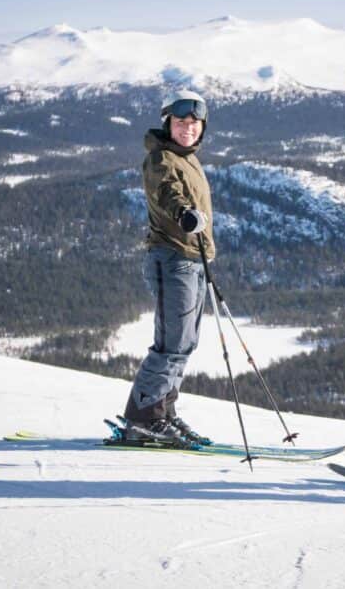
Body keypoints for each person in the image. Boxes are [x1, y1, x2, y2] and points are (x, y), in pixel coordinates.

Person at [122, 89, 215, 444]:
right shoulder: (161, 159)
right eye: (180, 123)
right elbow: (166, 193)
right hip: (171, 258)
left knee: (186, 344)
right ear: (168, 124)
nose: (188, 129)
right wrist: (183, 214)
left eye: (194, 123)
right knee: (171, 344)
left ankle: (163, 413)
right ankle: (142, 418)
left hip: (192, 259)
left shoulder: (188, 157)